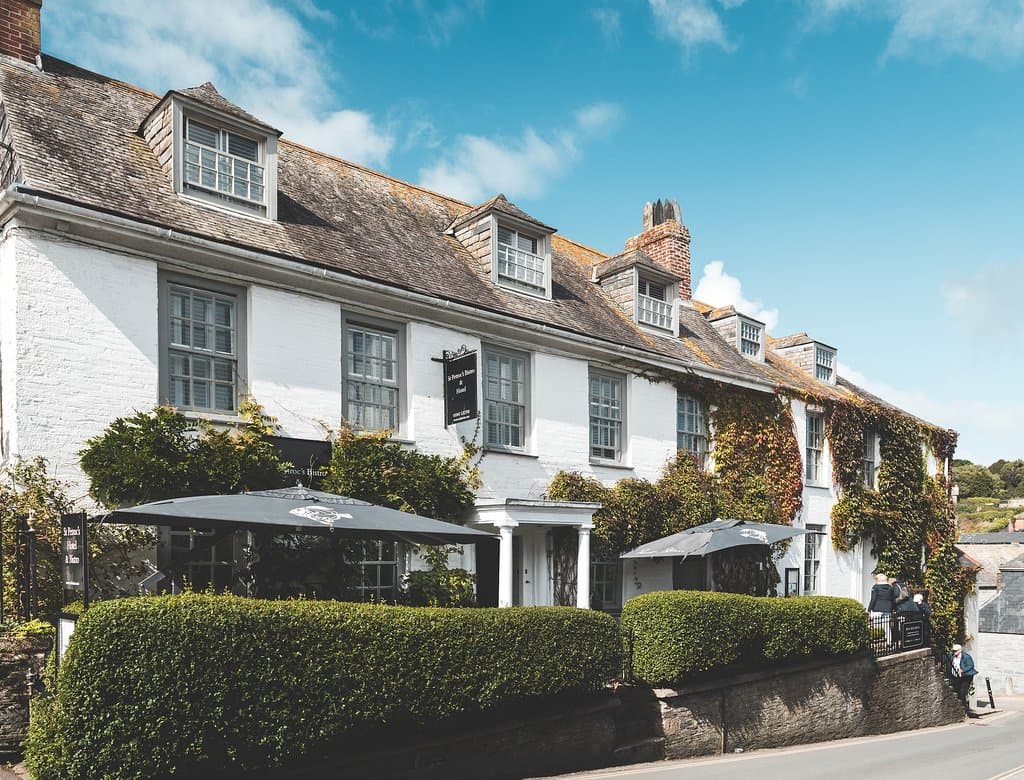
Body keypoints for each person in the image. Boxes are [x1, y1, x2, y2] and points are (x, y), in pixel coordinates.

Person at [947, 644, 977, 708]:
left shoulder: (966, 657)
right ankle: (959, 706)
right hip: (955, 676)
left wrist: (963, 670)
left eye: (955, 651)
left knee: (962, 692)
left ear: (960, 650)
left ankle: (964, 707)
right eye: (953, 651)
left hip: (966, 677)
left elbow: (970, 665)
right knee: (956, 691)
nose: (953, 652)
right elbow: (946, 661)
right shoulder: (951, 656)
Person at [868, 573, 893, 642]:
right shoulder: (890, 588)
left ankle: (877, 642)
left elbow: (873, 599)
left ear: (877, 580)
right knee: (887, 627)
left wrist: (869, 610)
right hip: (888, 609)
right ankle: (889, 642)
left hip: (877, 609)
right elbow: (892, 599)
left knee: (877, 626)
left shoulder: (875, 587)